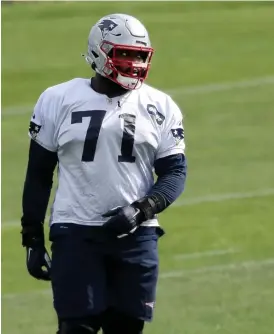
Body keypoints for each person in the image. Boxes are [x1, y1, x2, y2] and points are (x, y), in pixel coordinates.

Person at [20, 13, 187, 334]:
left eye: (139, 55)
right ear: (99, 52)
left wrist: (142, 210)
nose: (133, 63)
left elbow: (175, 173)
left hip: (136, 236)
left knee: (126, 329)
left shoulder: (160, 105)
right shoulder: (58, 98)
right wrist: (32, 236)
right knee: (76, 329)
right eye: (124, 53)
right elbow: (39, 174)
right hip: (76, 231)